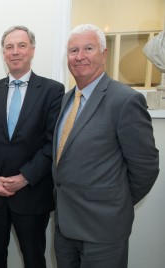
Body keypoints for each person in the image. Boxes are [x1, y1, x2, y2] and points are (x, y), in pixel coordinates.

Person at [52, 24, 159, 268]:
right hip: (65, 228)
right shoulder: (67, 99)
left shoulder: (125, 100)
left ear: (104, 53)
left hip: (103, 231)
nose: (79, 56)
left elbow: (145, 167)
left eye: (88, 48)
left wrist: (114, 203)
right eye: (73, 50)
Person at [0, 25, 65, 268]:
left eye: (21, 46)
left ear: (32, 50)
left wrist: (25, 177)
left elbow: (53, 142)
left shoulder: (53, 91)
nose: (15, 52)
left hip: (32, 193)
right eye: (9, 47)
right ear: (3, 53)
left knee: (34, 258)